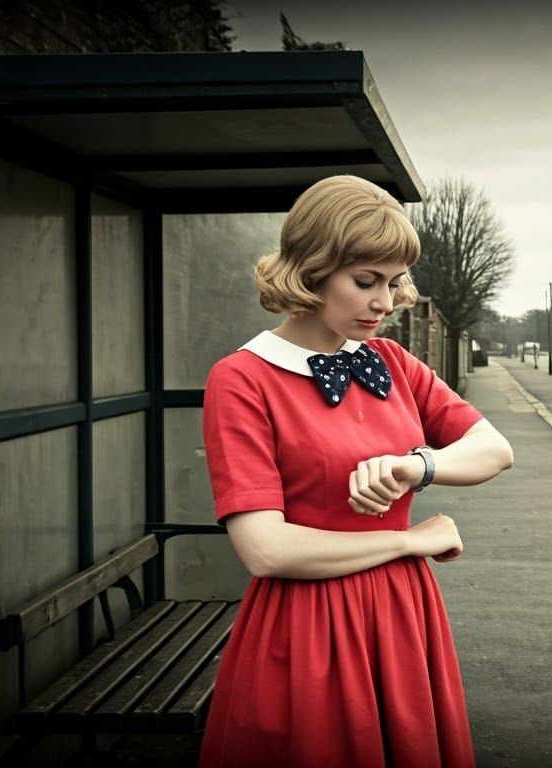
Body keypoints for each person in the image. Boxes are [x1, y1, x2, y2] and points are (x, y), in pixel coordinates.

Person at [198, 175, 514, 767]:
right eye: (366, 282)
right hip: (307, 625)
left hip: (402, 613)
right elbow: (265, 550)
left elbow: (494, 448)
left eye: (394, 283)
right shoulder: (241, 379)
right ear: (311, 271)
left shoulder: (390, 360)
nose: (385, 303)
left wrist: (417, 465)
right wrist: (408, 541)